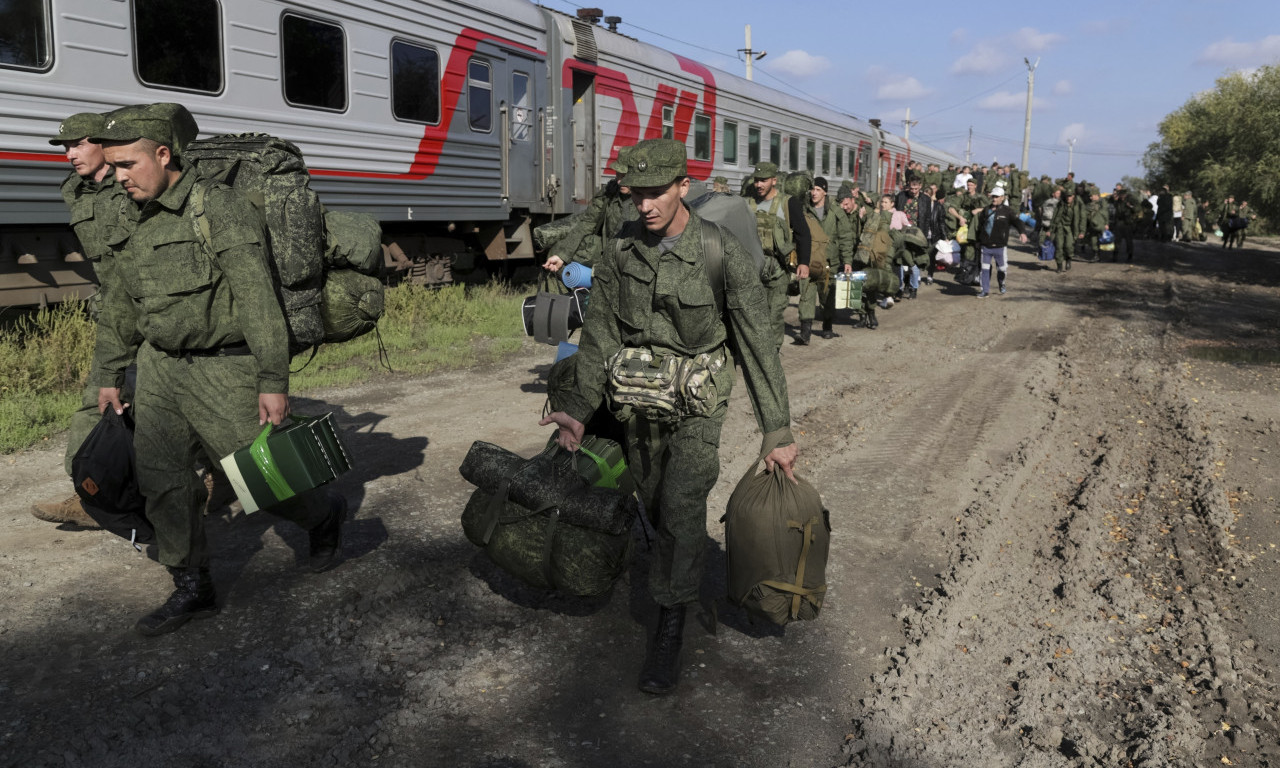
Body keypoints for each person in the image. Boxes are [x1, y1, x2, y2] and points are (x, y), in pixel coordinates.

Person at [538, 138, 798, 695]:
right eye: (637, 195)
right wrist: (579, 411)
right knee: (653, 498)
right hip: (638, 399)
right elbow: (600, 335)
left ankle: (669, 626)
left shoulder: (720, 252)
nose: (646, 205)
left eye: (657, 193)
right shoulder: (619, 252)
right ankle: (673, 563)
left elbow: (756, 344)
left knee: (681, 503)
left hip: (698, 403)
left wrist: (776, 431)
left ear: (684, 186)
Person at [89, 103, 347, 637]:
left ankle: (323, 514)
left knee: (265, 476)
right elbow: (118, 302)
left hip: (224, 369)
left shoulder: (217, 207)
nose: (119, 177)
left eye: (128, 164)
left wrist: (273, 380)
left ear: (163, 155)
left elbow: (257, 300)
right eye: (112, 166)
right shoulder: (129, 215)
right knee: (164, 482)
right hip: (158, 369)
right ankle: (192, 587)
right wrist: (110, 371)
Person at [28, 112, 136, 529]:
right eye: (64, 147)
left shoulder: (133, 183)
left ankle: (219, 476)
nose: (70, 155)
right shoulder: (77, 189)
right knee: (98, 402)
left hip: (156, 309)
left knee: (177, 409)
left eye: (77, 144)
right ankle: (89, 496)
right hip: (117, 312)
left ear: (103, 144)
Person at [747, 162, 810, 348]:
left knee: (774, 313)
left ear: (774, 180)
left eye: (763, 181)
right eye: (756, 180)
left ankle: (772, 354)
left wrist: (804, 263)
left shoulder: (788, 203)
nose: (758, 185)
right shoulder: (747, 202)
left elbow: (803, 234)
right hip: (752, 268)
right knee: (754, 315)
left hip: (778, 269)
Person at [801, 176, 852, 341]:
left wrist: (848, 261)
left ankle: (827, 327)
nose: (814, 193)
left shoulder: (835, 211)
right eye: (812, 189)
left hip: (829, 261)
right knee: (806, 295)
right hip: (809, 259)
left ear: (825, 192)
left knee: (827, 296)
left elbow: (845, 236)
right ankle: (805, 331)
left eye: (818, 190)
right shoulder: (805, 209)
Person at [973, 185, 1028, 297]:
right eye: (993, 196)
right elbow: (980, 226)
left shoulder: (1007, 211)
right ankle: (985, 290)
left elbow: (1017, 222)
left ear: (1002, 197)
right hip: (986, 246)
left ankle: (1001, 283)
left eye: (997, 197)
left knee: (1002, 269)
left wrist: (1022, 232)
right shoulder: (986, 210)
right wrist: (978, 241)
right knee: (984, 269)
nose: (994, 199)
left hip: (1000, 247)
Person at [1110, 186, 1138, 262]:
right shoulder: (1117, 201)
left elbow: (1136, 209)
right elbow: (1113, 206)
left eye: (1123, 195)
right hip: (1119, 222)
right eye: (1120, 195)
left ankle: (1130, 255)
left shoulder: (1130, 200)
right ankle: (1115, 255)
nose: (1122, 197)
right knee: (1117, 241)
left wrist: (1130, 206)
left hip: (1128, 223)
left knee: (1129, 241)